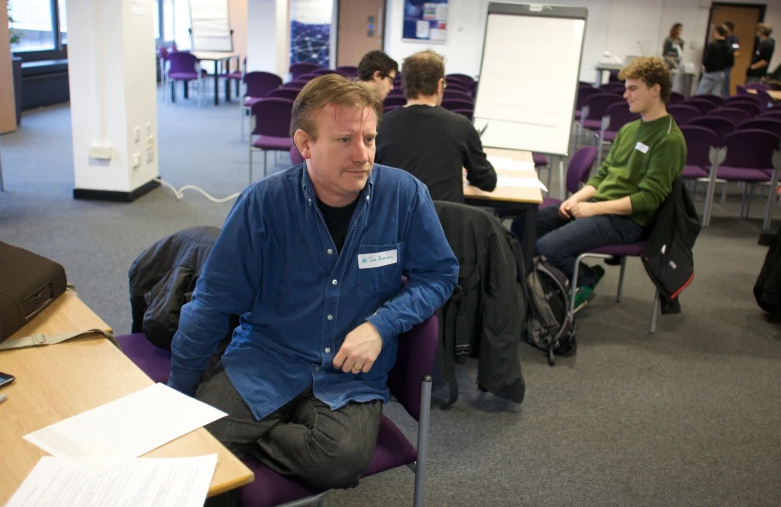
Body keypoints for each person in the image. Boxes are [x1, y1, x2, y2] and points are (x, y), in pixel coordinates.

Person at [168, 74, 458, 502]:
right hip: (267, 357)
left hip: (349, 376)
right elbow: (212, 302)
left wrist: (380, 326)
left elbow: (439, 275)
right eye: (344, 140)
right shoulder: (263, 204)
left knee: (338, 460)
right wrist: (178, 399)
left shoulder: (405, 196)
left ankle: (246, 436)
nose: (363, 155)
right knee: (193, 446)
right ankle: (236, 432)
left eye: (370, 139)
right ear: (305, 144)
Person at [511, 56, 686, 311]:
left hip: (627, 221)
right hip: (597, 206)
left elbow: (648, 200)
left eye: (633, 88)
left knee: (547, 247)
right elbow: (603, 174)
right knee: (523, 225)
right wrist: (578, 198)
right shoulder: (629, 129)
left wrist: (592, 209)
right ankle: (527, 289)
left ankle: (585, 278)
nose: (625, 95)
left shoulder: (669, 140)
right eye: (626, 88)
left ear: (655, 89)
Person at [375, 50, 497, 203]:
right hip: (444, 224)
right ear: (440, 85)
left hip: (394, 222)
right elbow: (487, 181)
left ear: (404, 84)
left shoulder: (380, 124)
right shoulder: (461, 126)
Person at [696, 25, 733, 96]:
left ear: (717, 32)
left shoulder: (713, 45)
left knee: (700, 94)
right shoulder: (728, 46)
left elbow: (705, 61)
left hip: (710, 73)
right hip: (721, 73)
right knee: (715, 96)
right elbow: (730, 63)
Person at [722, 21, 740, 97]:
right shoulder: (723, 38)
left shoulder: (734, 39)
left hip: (727, 66)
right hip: (719, 65)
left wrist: (729, 56)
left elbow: (737, 52)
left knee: (725, 83)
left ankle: (726, 98)